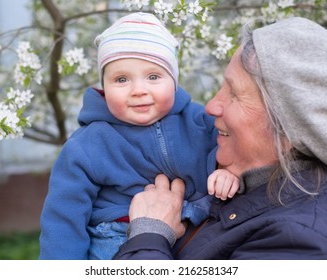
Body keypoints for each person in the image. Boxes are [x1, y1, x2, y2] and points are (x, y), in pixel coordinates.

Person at [113, 16, 327, 260]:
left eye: (235, 95)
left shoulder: (307, 247)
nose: (211, 107)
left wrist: (148, 236)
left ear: (288, 131)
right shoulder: (222, 174)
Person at [39, 12, 239, 260]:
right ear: (104, 86)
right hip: (117, 237)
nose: (139, 90)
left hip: (196, 228)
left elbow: (235, 149)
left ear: (174, 81)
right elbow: (64, 215)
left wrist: (228, 172)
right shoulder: (89, 143)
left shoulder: (200, 120)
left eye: (153, 76)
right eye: (121, 79)